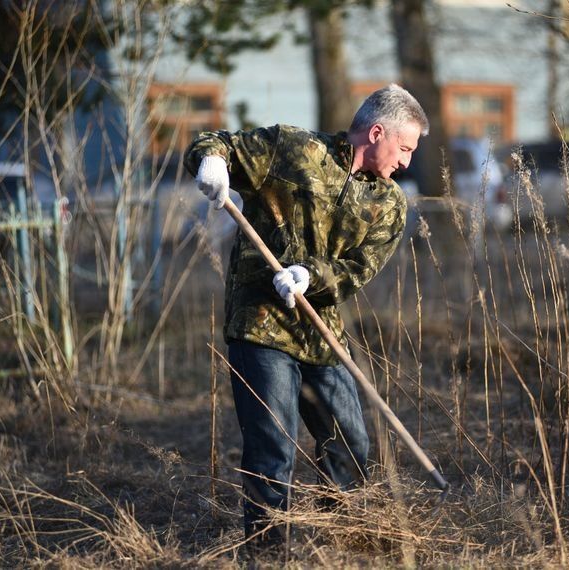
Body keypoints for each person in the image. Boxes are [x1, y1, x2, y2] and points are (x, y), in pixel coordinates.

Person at [183, 84, 428, 546]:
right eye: (405, 147)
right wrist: (211, 163)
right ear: (377, 132)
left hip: (322, 336)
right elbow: (216, 144)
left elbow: (358, 270)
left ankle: (342, 537)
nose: (408, 162)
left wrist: (309, 275)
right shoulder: (293, 149)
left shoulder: (390, 203)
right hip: (261, 325)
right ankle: (268, 550)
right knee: (273, 447)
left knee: (350, 444)